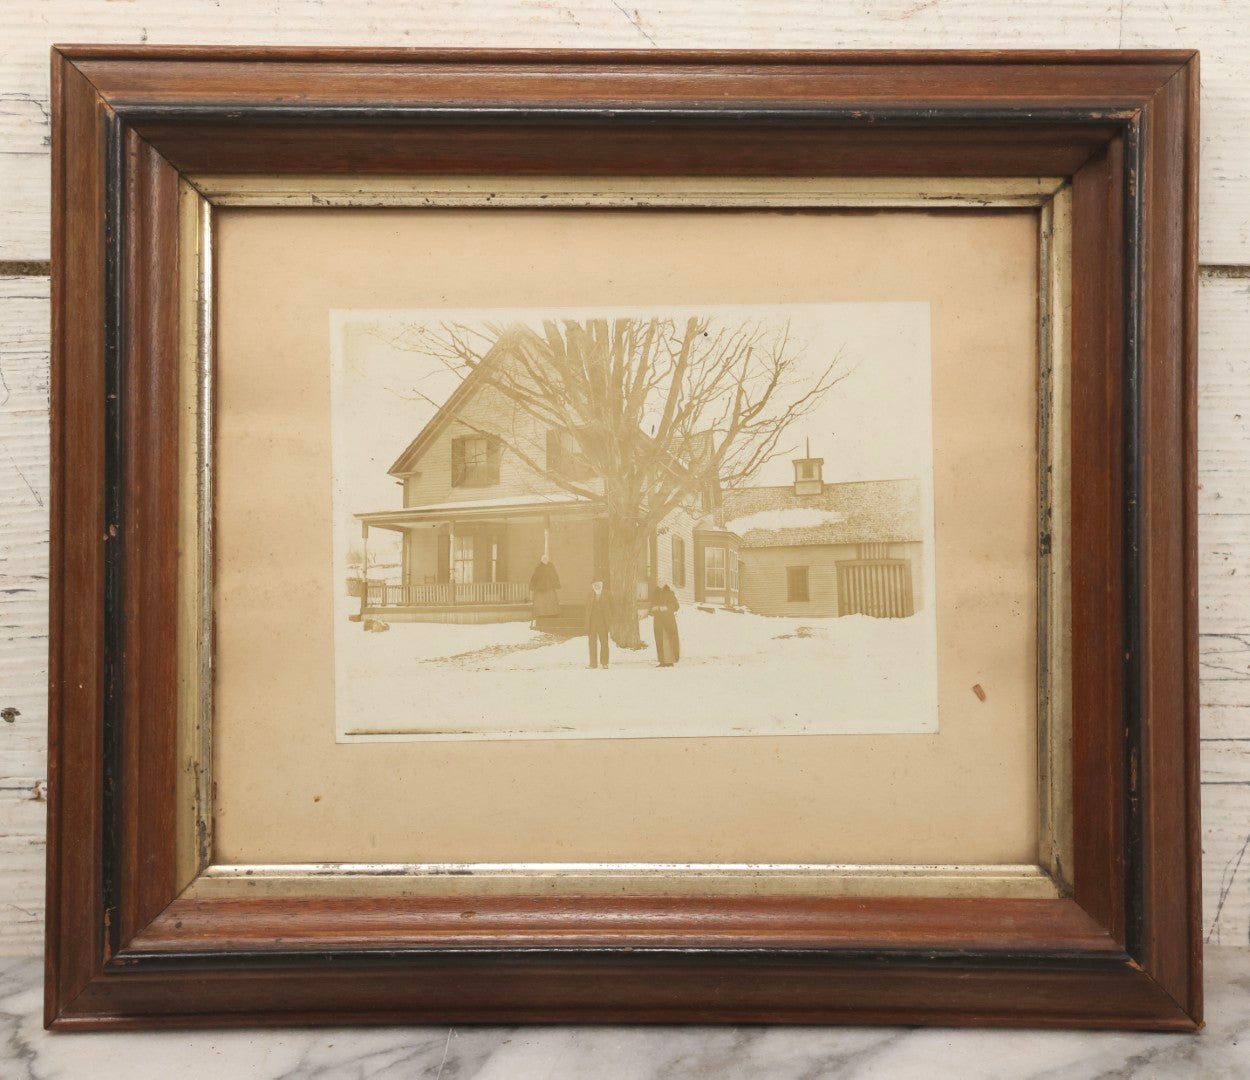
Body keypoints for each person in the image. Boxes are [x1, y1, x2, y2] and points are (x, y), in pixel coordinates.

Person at [650, 580, 681, 667]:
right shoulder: (655, 594)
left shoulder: (670, 593)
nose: (659, 583)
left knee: (668, 640)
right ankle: (662, 661)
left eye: (661, 582)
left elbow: (676, 606)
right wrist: (653, 608)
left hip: (668, 621)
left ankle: (670, 661)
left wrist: (667, 608)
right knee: (659, 641)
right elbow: (651, 607)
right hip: (658, 621)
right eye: (658, 582)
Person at [585, 580, 611, 669]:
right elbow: (587, 610)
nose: (597, 586)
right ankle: (593, 663)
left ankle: (604, 663)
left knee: (604, 643)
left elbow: (613, 608)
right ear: (592, 586)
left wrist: (610, 621)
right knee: (592, 643)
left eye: (598, 584)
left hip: (603, 623)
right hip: (592, 623)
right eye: (595, 585)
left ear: (602, 584)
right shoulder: (590, 595)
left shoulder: (607, 594)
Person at [529, 554, 561, 624]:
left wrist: (556, 584)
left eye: (546, 559)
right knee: (541, 602)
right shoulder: (538, 567)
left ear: (548, 559)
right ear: (541, 560)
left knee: (551, 600)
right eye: (543, 559)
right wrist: (532, 586)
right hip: (540, 589)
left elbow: (555, 575)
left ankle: (552, 614)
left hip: (549, 587)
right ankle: (541, 614)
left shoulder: (551, 566)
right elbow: (534, 577)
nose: (545, 560)